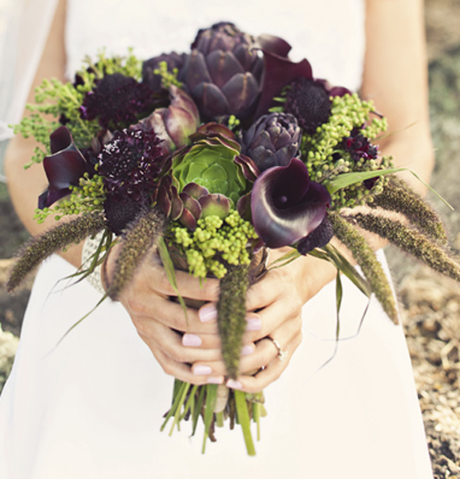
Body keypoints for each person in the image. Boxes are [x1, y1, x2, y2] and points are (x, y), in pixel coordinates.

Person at [0, 0, 435, 477]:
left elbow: (408, 141)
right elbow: (28, 150)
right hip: (100, 345)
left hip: (308, 320)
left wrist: (306, 270)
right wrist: (107, 261)